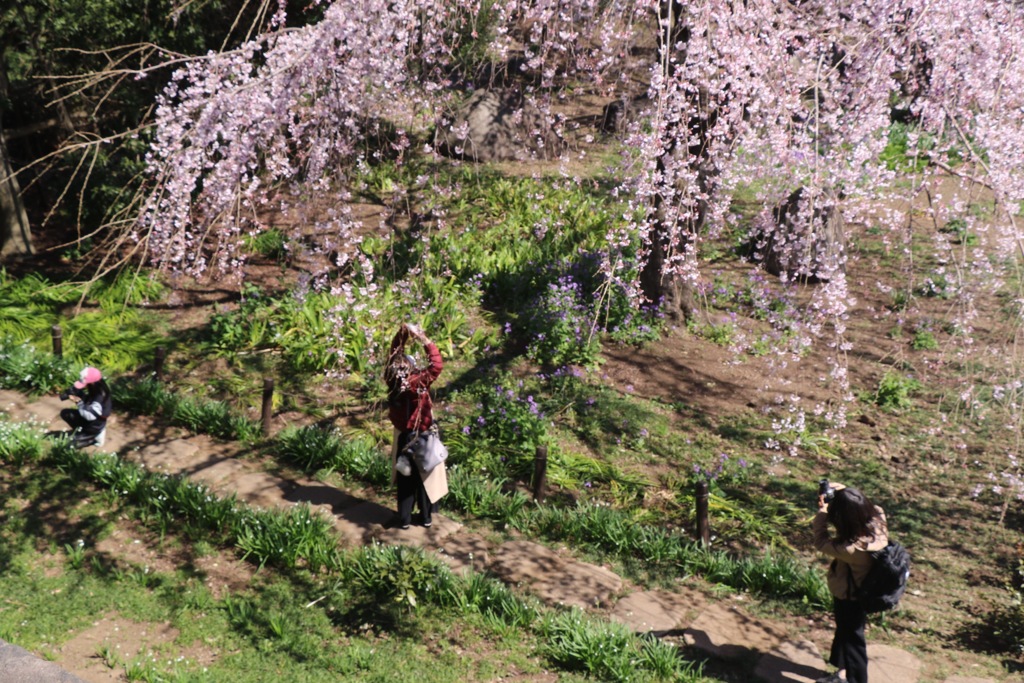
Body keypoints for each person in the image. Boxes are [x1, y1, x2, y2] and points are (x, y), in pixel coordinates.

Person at [812, 484, 889, 683]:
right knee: (846, 631)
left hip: (849, 596)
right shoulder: (877, 522)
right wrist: (845, 491)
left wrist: (823, 512)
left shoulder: (852, 549)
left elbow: (820, 542)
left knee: (853, 640)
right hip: (863, 591)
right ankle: (841, 671)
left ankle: (855, 679)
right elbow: (874, 507)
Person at [383, 323, 448, 529]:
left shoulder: (391, 379)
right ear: (409, 370)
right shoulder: (417, 383)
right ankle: (427, 517)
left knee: (405, 478)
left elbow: (393, 354)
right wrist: (424, 339)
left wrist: (402, 334)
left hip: (403, 436)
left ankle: (404, 519)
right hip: (422, 436)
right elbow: (436, 366)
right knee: (424, 477)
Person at [60, 366, 113, 448]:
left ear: (91, 382)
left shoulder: (100, 396)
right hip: (94, 418)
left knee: (70, 445)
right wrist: (77, 393)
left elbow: (90, 416)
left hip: (95, 424)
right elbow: (88, 401)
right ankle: (84, 432)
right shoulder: (97, 387)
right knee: (66, 413)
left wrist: (78, 402)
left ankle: (94, 437)